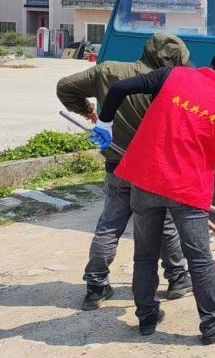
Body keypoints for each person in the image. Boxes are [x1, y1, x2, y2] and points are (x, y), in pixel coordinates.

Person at [90, 42, 215, 344]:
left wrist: (105, 122)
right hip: (187, 188)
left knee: (145, 254)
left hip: (145, 179)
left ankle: (147, 316)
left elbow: (119, 88)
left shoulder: (171, 75)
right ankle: (213, 324)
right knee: (200, 259)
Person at [56, 33, 191, 311]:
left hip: (117, 166)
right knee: (164, 224)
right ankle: (177, 279)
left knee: (110, 225)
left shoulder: (108, 71)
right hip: (152, 170)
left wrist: (86, 110)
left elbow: (65, 87)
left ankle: (95, 287)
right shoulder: (170, 83)